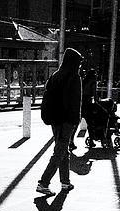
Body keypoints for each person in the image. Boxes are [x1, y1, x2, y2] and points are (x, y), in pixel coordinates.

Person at [37, 48, 83, 196]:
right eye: (79, 63)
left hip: (55, 120)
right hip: (67, 120)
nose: (80, 66)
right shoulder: (74, 77)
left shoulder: (56, 76)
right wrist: (76, 120)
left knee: (63, 150)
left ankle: (65, 182)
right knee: (59, 152)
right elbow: (76, 102)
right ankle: (43, 183)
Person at [71, 68, 98, 150]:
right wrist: (97, 103)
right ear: (94, 75)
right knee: (90, 122)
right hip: (87, 103)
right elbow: (94, 94)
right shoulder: (93, 82)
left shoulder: (83, 80)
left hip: (80, 103)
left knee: (75, 124)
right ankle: (91, 141)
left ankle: (70, 141)